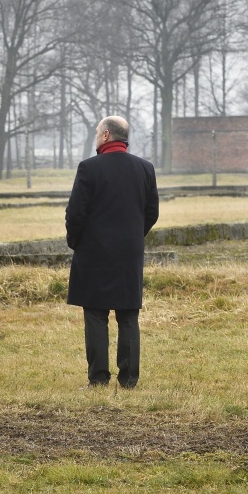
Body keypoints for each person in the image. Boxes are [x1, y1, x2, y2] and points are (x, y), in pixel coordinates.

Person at [65, 116, 159, 389]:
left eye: (98, 132)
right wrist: (133, 237)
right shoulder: (145, 168)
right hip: (129, 253)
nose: (96, 137)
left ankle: (98, 379)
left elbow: (76, 213)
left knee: (95, 313)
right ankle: (129, 380)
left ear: (106, 135)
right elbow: (152, 212)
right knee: (128, 314)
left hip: (93, 252)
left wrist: (76, 242)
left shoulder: (89, 168)